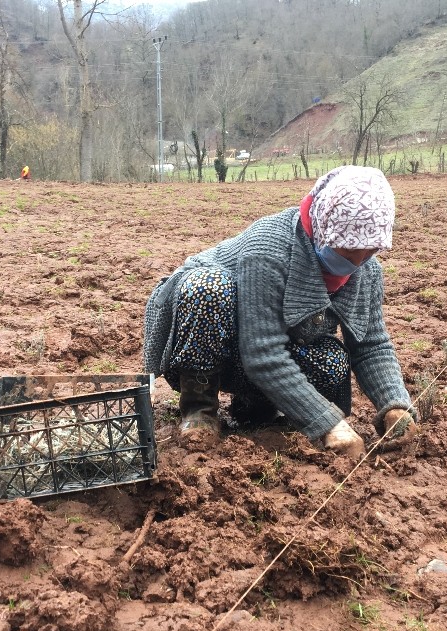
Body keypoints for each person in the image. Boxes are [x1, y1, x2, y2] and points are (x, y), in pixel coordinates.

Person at [142, 165, 418, 460]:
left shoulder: (366, 270)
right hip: (211, 341)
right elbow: (263, 353)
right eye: (348, 251)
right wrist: (329, 424)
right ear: (324, 230)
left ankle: (254, 408)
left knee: (333, 362)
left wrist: (394, 405)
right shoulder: (270, 249)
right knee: (207, 287)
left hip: (270, 348)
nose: (359, 261)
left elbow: (371, 343)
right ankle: (199, 410)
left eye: (371, 251)